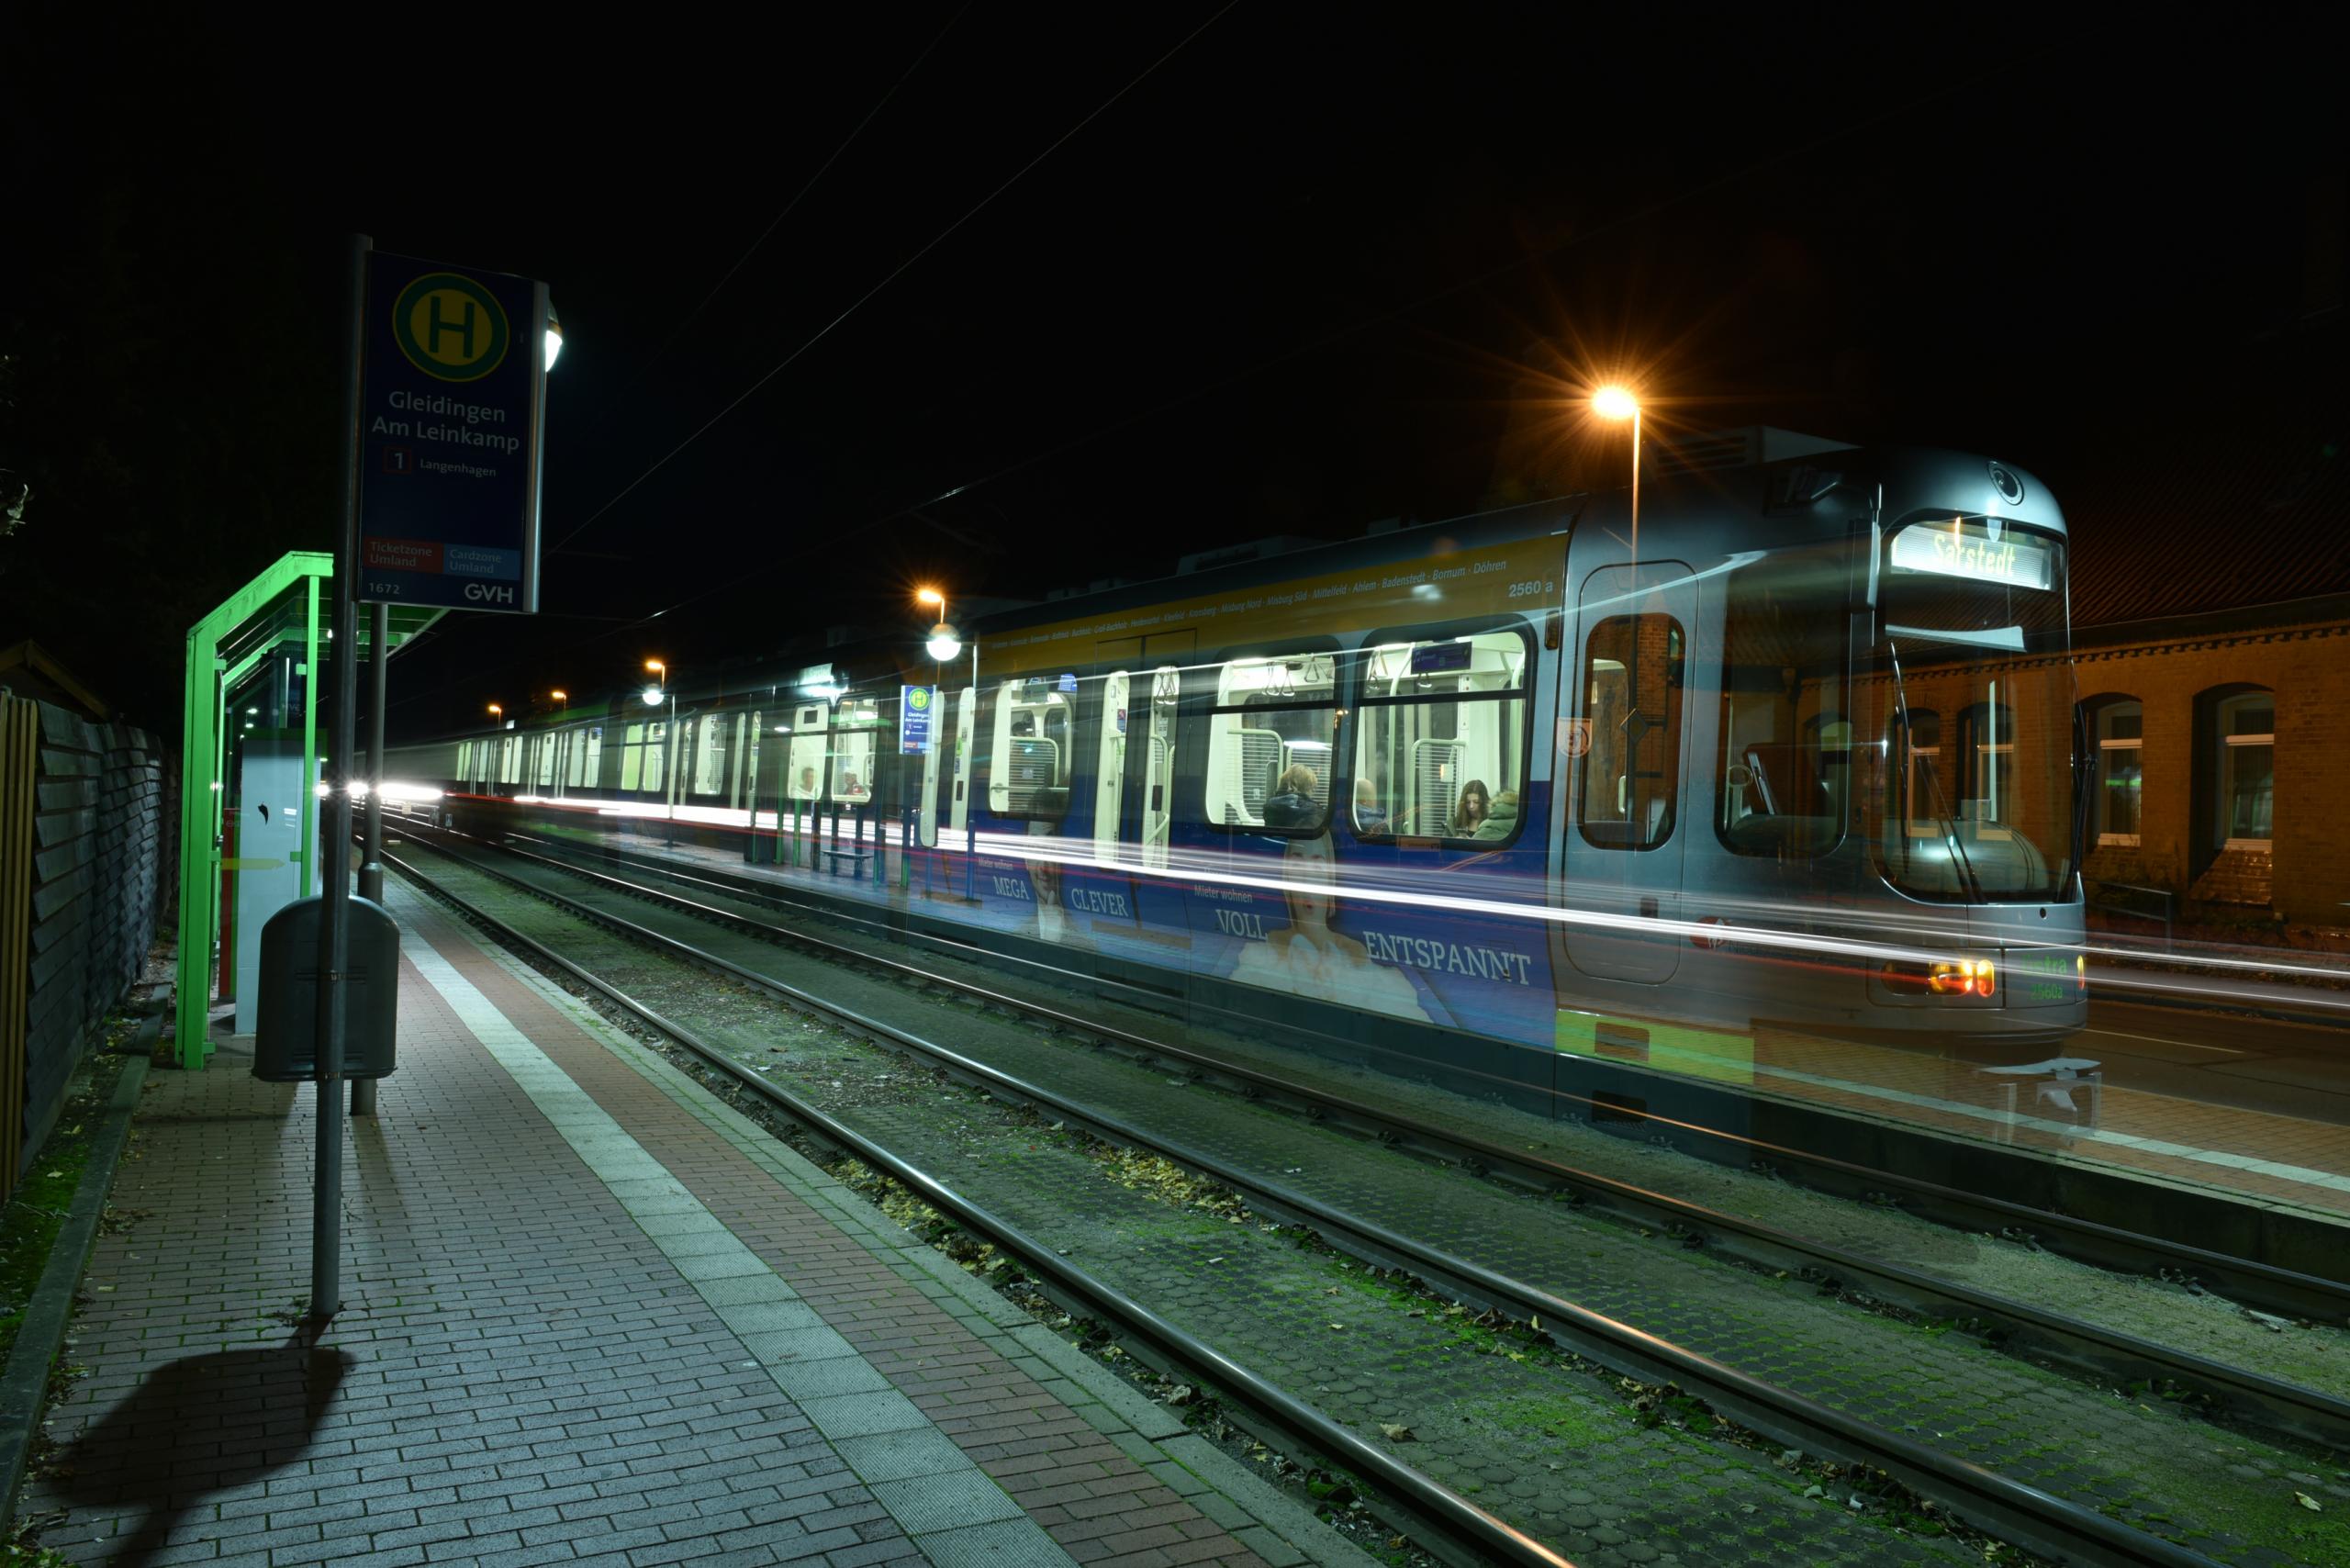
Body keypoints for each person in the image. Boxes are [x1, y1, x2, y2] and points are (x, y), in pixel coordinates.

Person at [1227, 834, 1428, 1021]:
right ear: (1286, 877)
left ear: (1330, 878)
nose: (1307, 881)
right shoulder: (1267, 948)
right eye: (1297, 867)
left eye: (1317, 868)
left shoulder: (1353, 953)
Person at [1262, 763, 1319, 828]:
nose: (1313, 791)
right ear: (1306, 787)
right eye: (1312, 787)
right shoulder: (1311, 810)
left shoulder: (1271, 806)